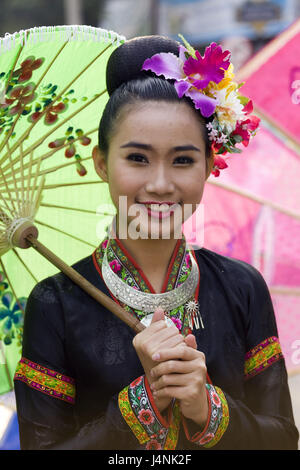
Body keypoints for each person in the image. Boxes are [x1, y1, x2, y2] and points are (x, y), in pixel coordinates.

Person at [13, 35, 299, 450]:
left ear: (208, 165)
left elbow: (283, 442)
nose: (161, 184)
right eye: (137, 158)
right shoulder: (56, 302)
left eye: (183, 160)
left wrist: (207, 408)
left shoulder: (242, 288)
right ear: (101, 163)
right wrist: (143, 403)